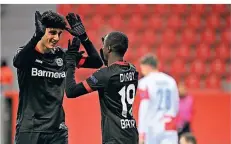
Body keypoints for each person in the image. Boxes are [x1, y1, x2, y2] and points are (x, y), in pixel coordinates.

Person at [13, 10, 102, 144]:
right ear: (41, 31)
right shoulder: (27, 54)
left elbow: (97, 62)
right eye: (52, 32)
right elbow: (18, 62)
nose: (56, 38)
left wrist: (84, 37)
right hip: (30, 130)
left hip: (57, 131)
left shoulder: (64, 56)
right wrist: (36, 37)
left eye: (59, 33)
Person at [65, 31, 139, 144]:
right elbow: (110, 67)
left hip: (114, 137)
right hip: (131, 135)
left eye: (103, 46)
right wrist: (84, 38)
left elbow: (71, 91)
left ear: (108, 49)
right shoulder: (132, 69)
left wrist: (70, 62)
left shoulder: (104, 75)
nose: (102, 48)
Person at [138, 54, 179, 144]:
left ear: (146, 66)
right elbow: (176, 105)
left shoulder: (145, 82)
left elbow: (144, 106)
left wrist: (141, 132)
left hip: (152, 126)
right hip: (169, 125)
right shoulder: (171, 80)